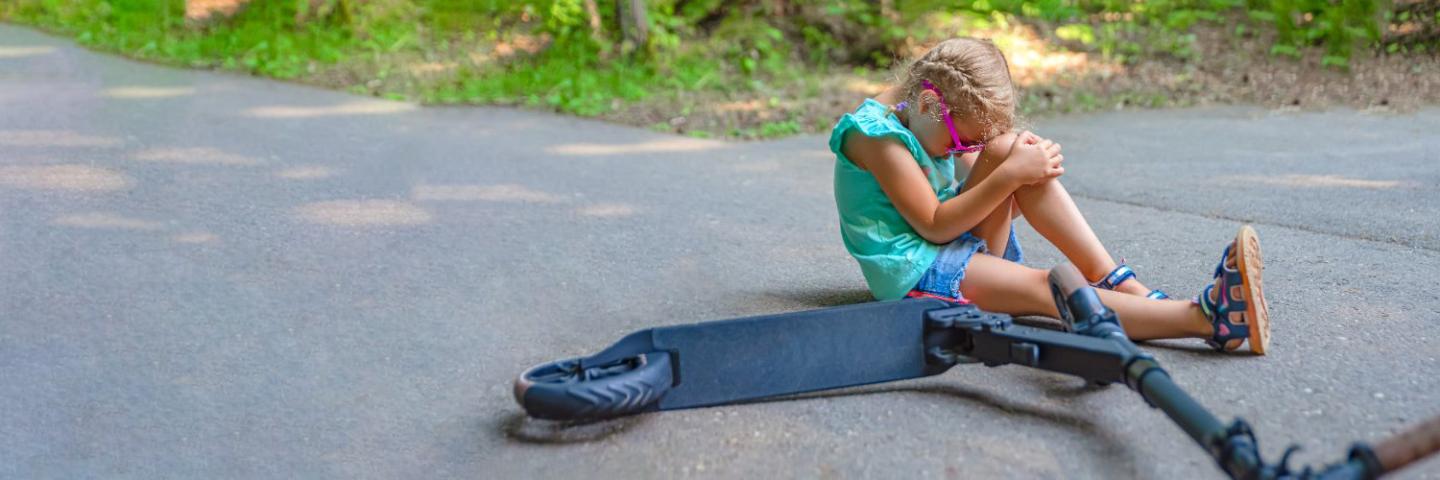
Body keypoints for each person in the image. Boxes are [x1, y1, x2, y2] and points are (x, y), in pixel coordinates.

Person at [830, 37, 1270, 354]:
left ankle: (1120, 282)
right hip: (917, 272)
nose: (963, 153)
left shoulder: (923, 110)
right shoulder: (877, 139)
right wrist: (1010, 177)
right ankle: (1206, 319)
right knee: (1051, 286)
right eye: (961, 143)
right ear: (927, 105)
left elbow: (981, 173)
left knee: (1009, 149)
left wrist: (1019, 163)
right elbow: (935, 223)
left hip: (949, 243)